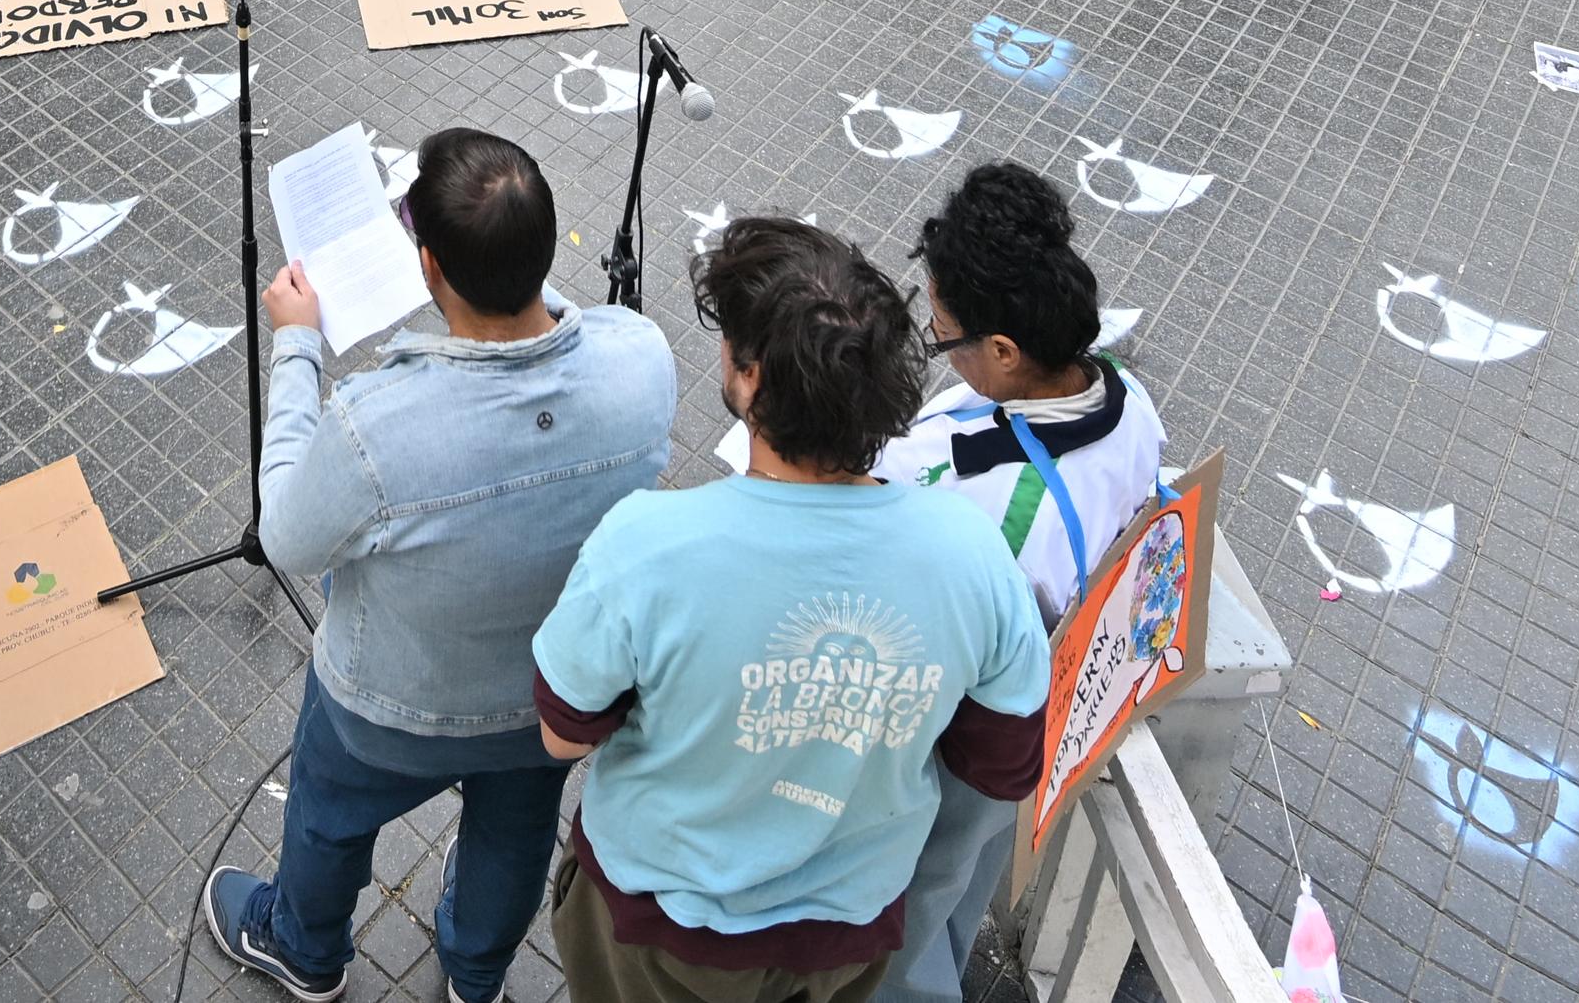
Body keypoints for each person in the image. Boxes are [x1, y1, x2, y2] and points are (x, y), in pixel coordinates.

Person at [204, 130, 677, 1003]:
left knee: (329, 814)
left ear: (428, 267)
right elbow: (571, 328)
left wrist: (298, 344)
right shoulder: (642, 360)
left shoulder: (375, 423)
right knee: (515, 832)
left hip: (388, 706)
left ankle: (304, 949)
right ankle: (476, 974)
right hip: (550, 695)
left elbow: (288, 538)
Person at [530, 216, 1052, 1003]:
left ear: (749, 379)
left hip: (659, 923)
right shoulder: (975, 556)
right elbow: (1003, 764)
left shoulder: (644, 544)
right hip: (849, 927)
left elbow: (563, 734)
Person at [868, 162, 1166, 1003]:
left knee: (913, 898)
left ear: (1002, 349)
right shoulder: (1126, 397)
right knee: (963, 877)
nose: (934, 346)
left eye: (941, 334)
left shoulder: (1002, 514)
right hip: (1033, 720)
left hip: (960, 730)